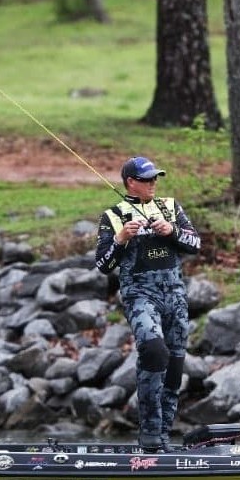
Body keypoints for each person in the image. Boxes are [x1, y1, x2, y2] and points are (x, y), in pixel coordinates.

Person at [95, 156, 201, 452]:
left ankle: (163, 437)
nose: (154, 182)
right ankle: (150, 433)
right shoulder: (113, 215)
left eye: (156, 177)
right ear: (131, 182)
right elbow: (103, 265)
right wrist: (120, 239)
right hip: (140, 295)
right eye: (147, 179)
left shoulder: (171, 207)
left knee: (175, 364)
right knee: (154, 350)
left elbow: (195, 244)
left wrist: (172, 231)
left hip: (175, 296)